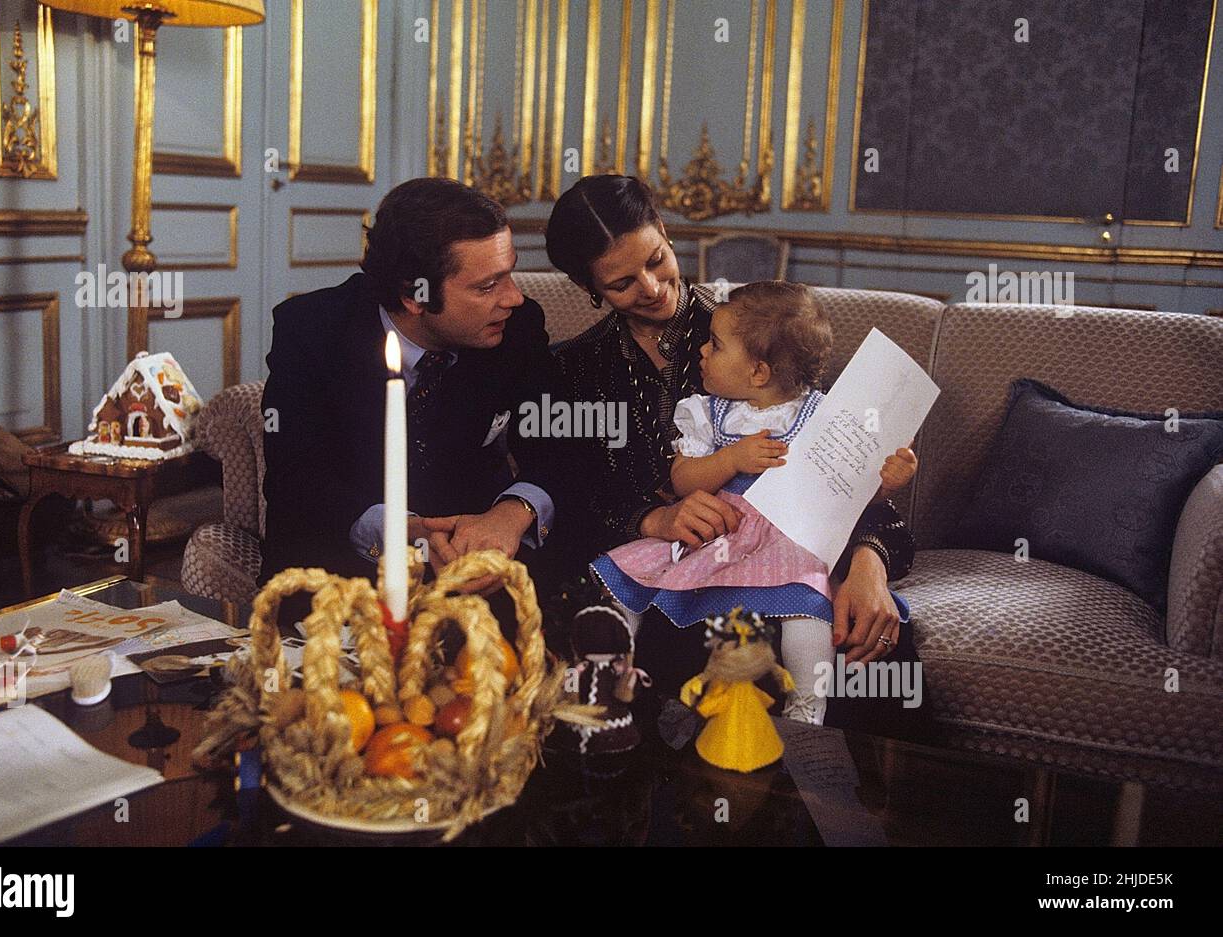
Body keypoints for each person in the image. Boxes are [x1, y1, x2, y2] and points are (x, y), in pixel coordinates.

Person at [546, 174, 931, 740]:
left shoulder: (758, 329)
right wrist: (653, 518)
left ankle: (835, 808)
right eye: (623, 282)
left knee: (875, 652)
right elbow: (571, 501)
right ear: (590, 288)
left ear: (667, 234)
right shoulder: (575, 373)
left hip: (789, 553)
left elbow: (842, 474)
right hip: (679, 566)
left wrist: (869, 562)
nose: (653, 288)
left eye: (657, 259)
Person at [590, 281, 918, 724]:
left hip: (788, 537)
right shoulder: (708, 412)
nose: (702, 353)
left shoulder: (822, 416)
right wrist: (729, 459)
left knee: (808, 606)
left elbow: (851, 490)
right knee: (635, 575)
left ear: (758, 372)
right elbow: (683, 479)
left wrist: (887, 482)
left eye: (715, 345)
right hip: (721, 530)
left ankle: (807, 706)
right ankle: (610, 670)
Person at [260, 178, 583, 620]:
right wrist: (398, 533)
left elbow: (562, 443)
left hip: (477, 572)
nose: (514, 297)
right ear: (415, 296)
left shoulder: (517, 326)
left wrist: (514, 511)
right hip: (345, 579)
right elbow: (296, 478)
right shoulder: (311, 331)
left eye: (509, 271)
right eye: (488, 285)